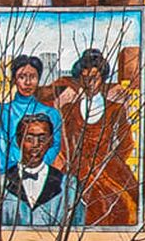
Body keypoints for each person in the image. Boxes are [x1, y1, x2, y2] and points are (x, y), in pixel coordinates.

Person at [57, 47, 137, 225]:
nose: (89, 83)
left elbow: (126, 143)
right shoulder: (68, 110)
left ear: (103, 78)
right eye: (84, 79)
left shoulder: (116, 110)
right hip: (76, 168)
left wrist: (110, 162)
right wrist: (73, 162)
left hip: (107, 168)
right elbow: (64, 144)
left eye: (94, 78)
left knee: (123, 203)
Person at [0, 111, 82, 228]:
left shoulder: (68, 187)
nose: (35, 145)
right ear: (18, 141)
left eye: (42, 139)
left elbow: (77, 233)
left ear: (50, 142)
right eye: (29, 139)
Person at [0, 54, 61, 172]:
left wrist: (37, 167)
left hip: (41, 173)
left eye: (33, 77)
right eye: (22, 77)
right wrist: (14, 170)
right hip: (9, 176)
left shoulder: (52, 113)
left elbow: (55, 145)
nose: (27, 82)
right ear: (15, 79)